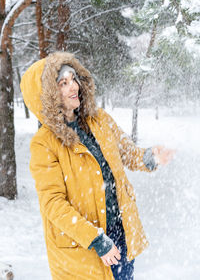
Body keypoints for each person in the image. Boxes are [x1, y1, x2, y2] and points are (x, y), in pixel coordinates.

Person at [20, 51, 175, 280]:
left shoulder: (99, 120)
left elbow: (127, 153)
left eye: (73, 79)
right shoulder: (44, 143)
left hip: (119, 232)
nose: (74, 87)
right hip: (84, 247)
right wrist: (96, 239)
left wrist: (150, 157)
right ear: (48, 96)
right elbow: (53, 204)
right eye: (63, 83)